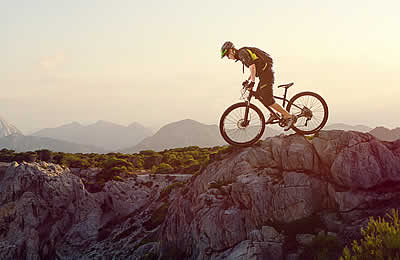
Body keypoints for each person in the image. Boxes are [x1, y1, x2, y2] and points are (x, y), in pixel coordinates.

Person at [220, 41, 297, 131]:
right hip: (263, 75)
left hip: (267, 75)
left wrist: (252, 82)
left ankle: (289, 116)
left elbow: (252, 66)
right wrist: (248, 80)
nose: (228, 58)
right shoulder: (241, 55)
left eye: (227, 55)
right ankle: (273, 114)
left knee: (268, 99)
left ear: (231, 51)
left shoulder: (242, 53)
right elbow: (253, 68)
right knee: (259, 95)